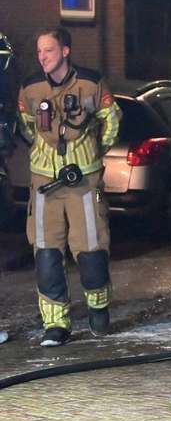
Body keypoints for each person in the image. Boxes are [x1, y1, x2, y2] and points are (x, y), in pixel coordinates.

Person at [18, 26, 121, 347]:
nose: (42, 57)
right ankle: (56, 325)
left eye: (48, 50)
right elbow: (26, 129)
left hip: (84, 184)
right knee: (46, 254)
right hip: (44, 184)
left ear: (65, 51)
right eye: (38, 51)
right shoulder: (30, 89)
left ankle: (98, 310)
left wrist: (93, 153)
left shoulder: (91, 83)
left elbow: (112, 120)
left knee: (91, 250)